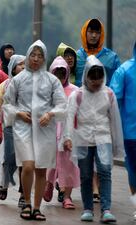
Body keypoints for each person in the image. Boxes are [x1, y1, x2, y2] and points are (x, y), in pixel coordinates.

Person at [3, 40, 67, 221]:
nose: (36, 59)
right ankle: (26, 202)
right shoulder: (18, 79)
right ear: (28, 56)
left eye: (40, 56)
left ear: (44, 58)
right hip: (23, 128)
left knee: (41, 170)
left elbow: (62, 104)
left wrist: (51, 114)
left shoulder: (52, 80)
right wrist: (19, 113)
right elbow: (7, 104)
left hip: (45, 129)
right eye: (33, 55)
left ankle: (37, 208)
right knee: (28, 165)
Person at [64, 55, 124, 223]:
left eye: (99, 78)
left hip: (103, 137)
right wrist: (68, 137)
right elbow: (69, 116)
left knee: (105, 172)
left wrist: (115, 141)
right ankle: (88, 209)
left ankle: (106, 209)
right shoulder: (77, 95)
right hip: (83, 138)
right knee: (85, 174)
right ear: (86, 77)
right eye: (92, 78)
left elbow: (114, 119)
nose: (96, 82)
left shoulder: (109, 94)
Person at [0, 54, 25, 206]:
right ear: (13, 67)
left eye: (25, 64)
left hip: (28, 126)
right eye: (20, 64)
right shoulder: (6, 85)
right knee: (9, 158)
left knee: (25, 161)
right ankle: (5, 183)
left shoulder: (33, 84)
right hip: (10, 127)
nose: (23, 67)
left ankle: (24, 193)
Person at [43, 56, 80, 210]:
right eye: (56, 72)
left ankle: (67, 196)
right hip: (51, 133)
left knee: (69, 165)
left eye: (62, 72)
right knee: (50, 164)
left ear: (67, 73)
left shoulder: (75, 91)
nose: (59, 76)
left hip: (70, 133)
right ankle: (49, 184)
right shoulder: (46, 90)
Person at [109, 41, 136, 220]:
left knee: (134, 171)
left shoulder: (124, 70)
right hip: (130, 133)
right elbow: (113, 100)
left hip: (129, 132)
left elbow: (113, 99)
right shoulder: (125, 70)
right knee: (134, 171)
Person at [75, 18, 120, 87]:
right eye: (91, 31)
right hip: (80, 97)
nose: (94, 35)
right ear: (84, 32)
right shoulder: (76, 56)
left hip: (104, 97)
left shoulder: (112, 57)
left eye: (97, 32)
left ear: (101, 35)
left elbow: (117, 83)